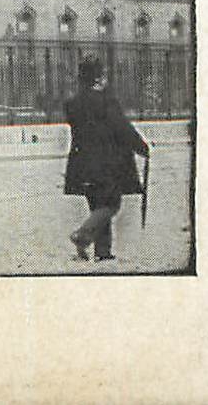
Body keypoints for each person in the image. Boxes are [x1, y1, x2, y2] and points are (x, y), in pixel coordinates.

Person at [64, 56, 149, 262]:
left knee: (97, 204)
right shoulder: (106, 101)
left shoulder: (73, 103)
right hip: (107, 163)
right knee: (111, 205)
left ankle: (103, 252)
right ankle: (83, 235)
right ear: (98, 77)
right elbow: (122, 128)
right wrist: (142, 147)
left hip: (81, 162)